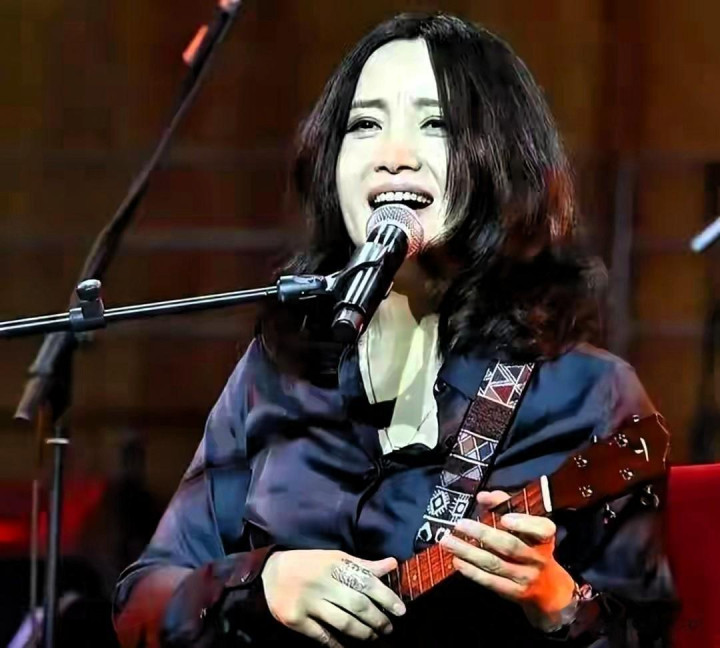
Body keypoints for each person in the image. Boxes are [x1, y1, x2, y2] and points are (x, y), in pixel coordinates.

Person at [113, 13, 675, 648]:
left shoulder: (589, 394)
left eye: (435, 125)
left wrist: (559, 604)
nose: (392, 156)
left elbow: (647, 633)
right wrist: (260, 583)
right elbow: (141, 603)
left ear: (505, 161)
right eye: (365, 125)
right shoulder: (278, 372)